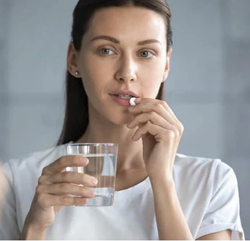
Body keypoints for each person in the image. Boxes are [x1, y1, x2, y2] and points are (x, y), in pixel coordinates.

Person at [0, 0, 245, 240]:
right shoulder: (13, 182)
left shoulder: (211, 181)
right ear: (74, 59)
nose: (126, 73)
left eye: (145, 53)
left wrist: (162, 182)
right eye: (106, 50)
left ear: (166, 65)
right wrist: (34, 229)